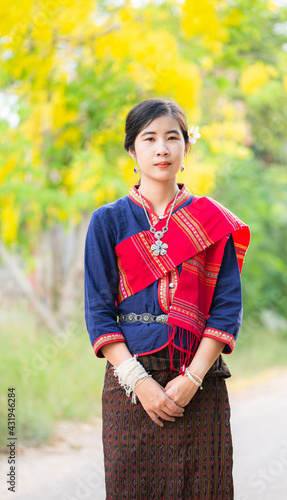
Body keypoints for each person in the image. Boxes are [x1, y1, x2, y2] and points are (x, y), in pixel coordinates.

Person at [84, 97, 250, 499]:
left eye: (172, 137)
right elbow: (99, 311)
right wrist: (140, 384)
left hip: (201, 384)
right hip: (130, 387)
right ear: (132, 150)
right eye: (150, 138)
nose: (162, 149)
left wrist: (191, 379)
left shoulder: (211, 219)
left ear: (185, 148)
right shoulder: (108, 221)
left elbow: (226, 308)